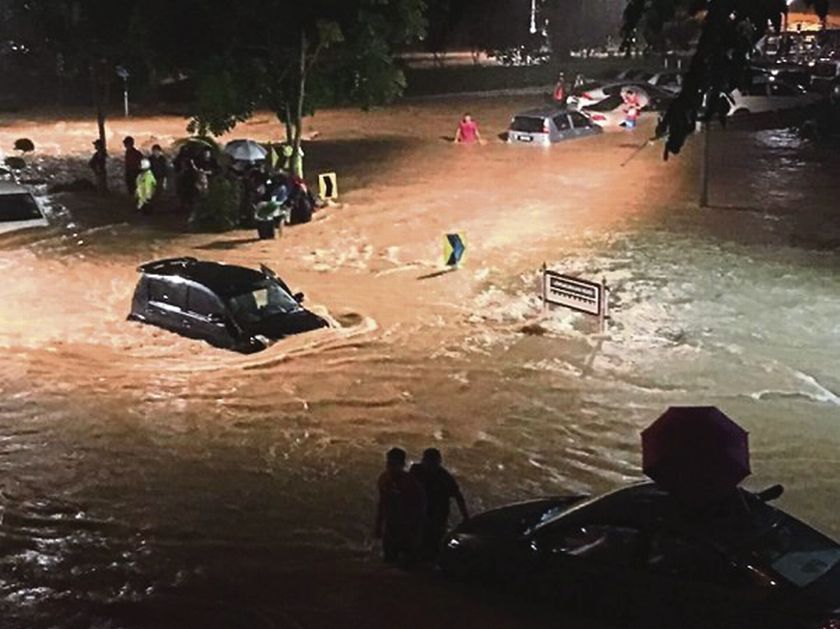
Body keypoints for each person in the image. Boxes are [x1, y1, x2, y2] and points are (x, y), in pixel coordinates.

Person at [410, 448, 469, 560]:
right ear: (423, 461)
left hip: (437, 516)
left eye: (433, 463)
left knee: (434, 544)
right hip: (420, 514)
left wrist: (466, 517)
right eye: (428, 462)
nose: (431, 466)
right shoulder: (416, 471)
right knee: (418, 543)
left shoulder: (444, 477)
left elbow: (458, 496)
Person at [374, 447, 425, 566]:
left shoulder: (411, 483)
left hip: (408, 527)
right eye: (389, 463)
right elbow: (382, 503)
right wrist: (378, 524)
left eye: (394, 464)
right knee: (389, 561)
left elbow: (420, 508)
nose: (390, 467)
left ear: (402, 465)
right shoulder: (384, 479)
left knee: (407, 564)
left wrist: (416, 532)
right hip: (391, 526)